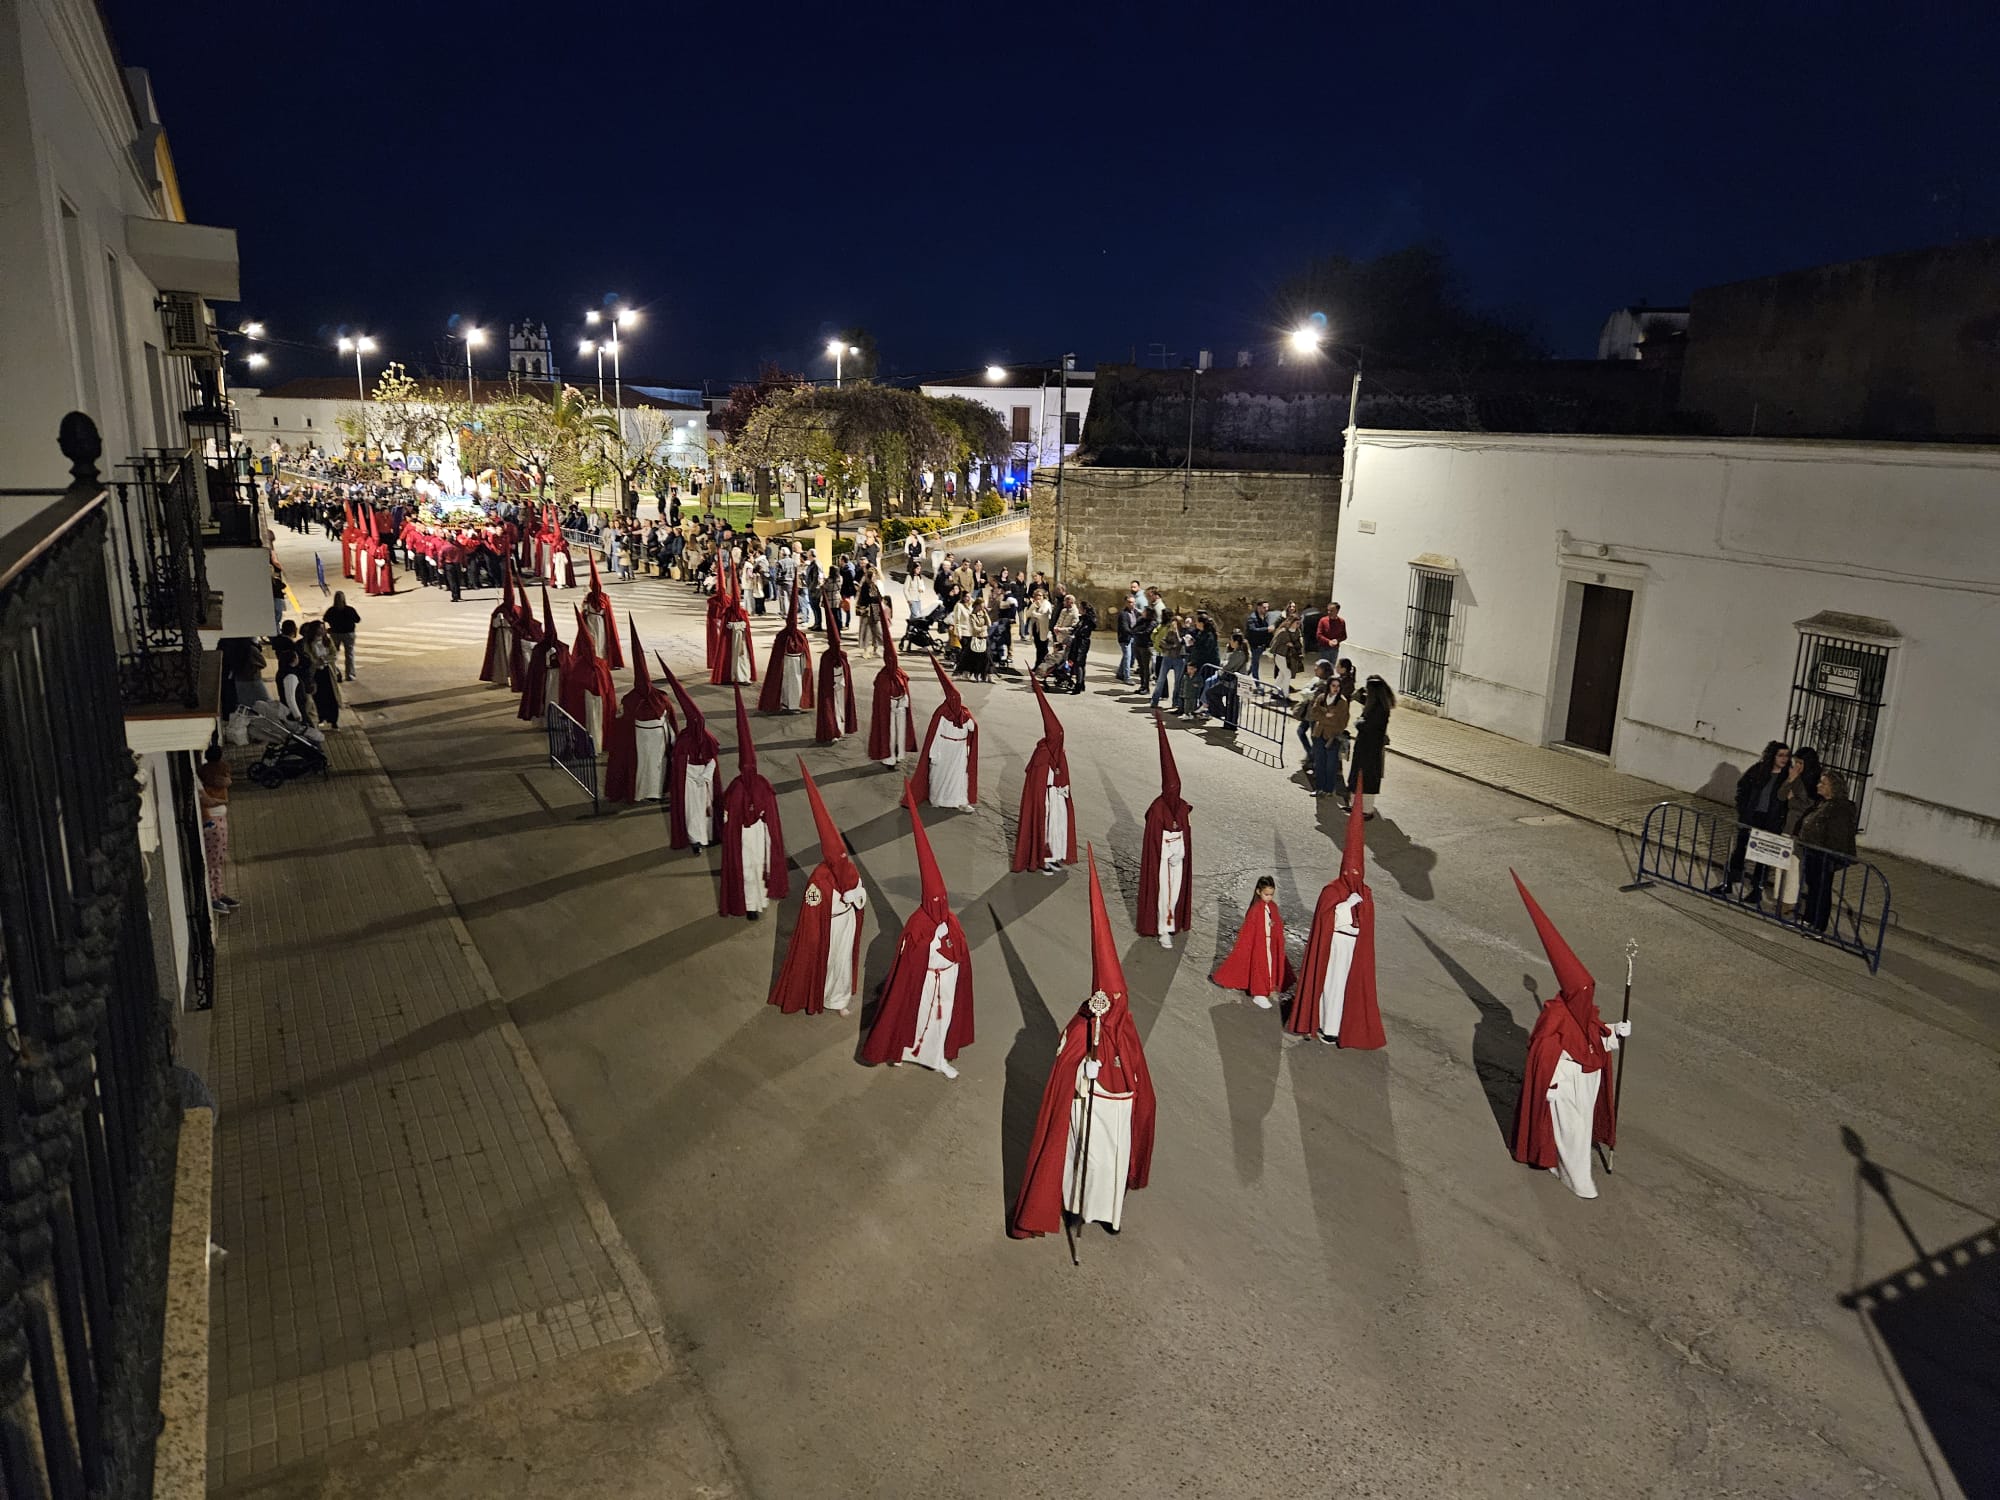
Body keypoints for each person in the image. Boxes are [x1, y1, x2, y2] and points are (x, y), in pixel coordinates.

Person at [1009, 847, 1157, 1240]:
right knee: (1087, 1163)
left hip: (1118, 1115)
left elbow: (1139, 1076)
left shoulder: (1125, 1028)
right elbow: (1063, 1073)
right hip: (1091, 1108)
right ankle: (1077, 1209)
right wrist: (1082, 1073)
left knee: (1111, 1168)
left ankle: (1109, 1215)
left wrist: (1136, 1099)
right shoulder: (1082, 1029)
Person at [1508, 872, 1627, 1201]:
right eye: (1585, 991)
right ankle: (1578, 1179)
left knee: (1578, 1132)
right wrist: (1553, 1083)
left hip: (1586, 1086)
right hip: (1567, 1087)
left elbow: (1593, 1039)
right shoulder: (1556, 1016)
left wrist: (1616, 1031)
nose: (1589, 996)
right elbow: (1547, 1052)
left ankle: (1563, 1167)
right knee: (1572, 1132)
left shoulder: (1582, 1011)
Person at [860, 781, 974, 1079]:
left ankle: (938, 1059)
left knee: (940, 1022)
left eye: (943, 900)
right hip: (923, 983)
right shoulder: (917, 924)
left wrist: (951, 955)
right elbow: (910, 961)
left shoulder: (951, 921)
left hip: (945, 983)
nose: (940, 905)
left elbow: (961, 952)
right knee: (913, 1016)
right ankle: (903, 1050)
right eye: (936, 901)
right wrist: (932, 945)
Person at [768, 761, 869, 1017]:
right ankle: (818, 996)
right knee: (826, 961)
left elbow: (861, 893)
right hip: (829, 925)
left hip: (846, 923)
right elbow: (811, 915)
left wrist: (856, 896)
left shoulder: (849, 870)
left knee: (842, 963)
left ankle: (838, 999)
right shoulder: (818, 881)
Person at [1288, 794, 1386, 1047]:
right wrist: (1346, 905)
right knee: (1330, 985)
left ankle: (1341, 1027)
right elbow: (1327, 918)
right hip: (1334, 946)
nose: (1353, 875)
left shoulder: (1365, 892)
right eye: (1350, 871)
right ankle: (1325, 1025)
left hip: (1353, 947)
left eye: (1357, 872)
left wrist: (1362, 907)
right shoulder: (1332, 891)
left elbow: (1367, 923)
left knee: (1345, 988)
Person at [718, 689, 788, 919]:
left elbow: (728, 816)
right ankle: (751, 904)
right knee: (750, 869)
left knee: (754, 868)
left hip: (751, 834)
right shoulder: (756, 785)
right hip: (751, 834)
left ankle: (754, 903)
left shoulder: (739, 787)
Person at [1137, 712, 1192, 949]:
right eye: (1171, 788)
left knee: (1175, 893)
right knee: (1163, 894)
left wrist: (1181, 851)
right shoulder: (1157, 809)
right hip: (1162, 859)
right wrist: (1168, 850)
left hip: (1178, 858)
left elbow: (1186, 832)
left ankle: (1172, 923)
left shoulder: (1182, 806)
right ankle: (1162, 929)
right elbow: (1154, 839)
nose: (1174, 792)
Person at [604, 622, 675, 804]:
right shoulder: (638, 700)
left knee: (654, 767)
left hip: (653, 741)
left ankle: (654, 792)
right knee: (646, 768)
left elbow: (668, 719)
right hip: (643, 741)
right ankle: (644, 792)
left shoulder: (642, 699)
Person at [1011, 677, 1076, 874]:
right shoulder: (1042, 754)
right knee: (1045, 828)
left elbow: (1062, 775)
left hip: (1057, 799)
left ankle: (1055, 856)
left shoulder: (1059, 752)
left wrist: (1062, 788)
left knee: (1057, 829)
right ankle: (1041, 858)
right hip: (1046, 800)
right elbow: (1040, 782)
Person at [1712, 741, 1791, 903]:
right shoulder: (1759, 770)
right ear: (1772, 756)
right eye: (1780, 755)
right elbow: (1742, 788)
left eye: (1787, 756)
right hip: (1752, 816)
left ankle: (1757, 889)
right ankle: (1729, 882)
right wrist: (1743, 809)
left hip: (1771, 820)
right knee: (1740, 849)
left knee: (1764, 855)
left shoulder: (1787, 776)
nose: (1784, 759)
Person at [1210, 876, 1294, 1009]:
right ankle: (1259, 993)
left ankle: (1268, 986)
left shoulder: (1272, 906)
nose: (1269, 897)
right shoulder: (1255, 909)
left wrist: (1274, 926)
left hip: (1270, 943)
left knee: (1270, 966)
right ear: (1258, 892)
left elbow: (1276, 923)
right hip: (1259, 944)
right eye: (1266, 894)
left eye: (1271, 895)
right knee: (1259, 967)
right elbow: (1248, 931)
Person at [663, 660, 720, 852]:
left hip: (704, 779)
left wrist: (705, 776)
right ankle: (695, 839)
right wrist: (690, 776)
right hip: (688, 780)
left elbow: (712, 760)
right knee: (691, 809)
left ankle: (706, 836)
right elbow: (679, 762)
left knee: (705, 808)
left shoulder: (708, 738)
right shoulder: (684, 740)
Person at [912, 655, 978, 811]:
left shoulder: (965, 713)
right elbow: (934, 735)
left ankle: (960, 800)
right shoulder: (941, 713)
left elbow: (973, 728)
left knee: (959, 775)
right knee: (940, 774)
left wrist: (969, 722)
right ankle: (938, 798)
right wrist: (934, 753)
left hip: (959, 750)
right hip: (944, 748)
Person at [1798, 769, 1859, 934]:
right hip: (1814, 852)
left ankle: (1819, 926)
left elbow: (1837, 835)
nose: (1818, 785)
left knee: (1822, 890)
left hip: (1824, 856)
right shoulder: (1824, 803)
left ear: (1833, 787)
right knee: (1813, 887)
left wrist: (1828, 855)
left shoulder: (1839, 808)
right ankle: (1808, 919)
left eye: (1823, 783)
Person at [1772, 746, 1822, 919]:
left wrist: (1793, 799)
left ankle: (1790, 903)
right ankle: (1779, 898)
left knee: (1794, 866)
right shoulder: (1795, 777)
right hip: (1788, 826)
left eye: (1801, 763)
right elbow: (1781, 795)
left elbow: (1808, 805)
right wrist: (1790, 780)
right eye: (1796, 762)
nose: (1797, 766)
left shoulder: (1814, 781)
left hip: (1800, 829)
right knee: (1781, 864)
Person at [559, 608, 615, 751]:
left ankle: (593, 746)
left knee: (593, 725)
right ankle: (594, 746)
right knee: (594, 725)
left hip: (593, 701)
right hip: (591, 701)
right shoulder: (597, 664)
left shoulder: (581, 665)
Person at [757, 579, 815, 715]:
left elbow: (805, 654)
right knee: (787, 684)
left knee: (795, 684)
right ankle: (787, 703)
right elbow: (776, 658)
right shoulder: (783, 636)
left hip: (796, 665)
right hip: (787, 665)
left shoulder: (799, 637)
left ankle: (795, 704)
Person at [868, 609, 917, 768]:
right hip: (888, 710)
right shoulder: (882, 677)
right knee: (889, 733)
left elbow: (905, 687)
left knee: (900, 734)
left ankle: (899, 754)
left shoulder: (900, 673)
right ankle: (888, 757)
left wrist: (903, 702)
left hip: (900, 707)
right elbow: (880, 697)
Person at [198, 746, 239, 916]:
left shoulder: (202, 771)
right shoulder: (206, 774)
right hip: (212, 820)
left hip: (218, 818)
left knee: (217, 858)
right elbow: (205, 800)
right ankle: (213, 895)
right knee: (214, 860)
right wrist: (221, 801)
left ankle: (218, 892)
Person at [1344, 675, 1394, 814]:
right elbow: (1358, 698)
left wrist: (1358, 722)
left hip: (1371, 748)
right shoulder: (1375, 705)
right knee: (1357, 775)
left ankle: (1366, 809)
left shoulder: (1379, 709)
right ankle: (1354, 805)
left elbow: (1367, 726)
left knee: (1367, 778)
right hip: (1365, 747)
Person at [517, 587, 567, 724]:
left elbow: (567, 663)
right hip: (545, 678)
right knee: (544, 698)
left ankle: (557, 721)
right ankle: (545, 721)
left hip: (557, 678)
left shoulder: (561, 647)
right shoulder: (539, 649)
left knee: (556, 698)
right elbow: (537, 668)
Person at [816, 609, 859, 744]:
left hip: (841, 685)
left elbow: (846, 672)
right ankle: (832, 730)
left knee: (842, 708)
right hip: (831, 688)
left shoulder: (843, 656)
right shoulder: (826, 657)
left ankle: (841, 729)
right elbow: (824, 677)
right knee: (832, 708)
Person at [1309, 664, 1352, 796]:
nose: (1336, 688)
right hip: (1319, 734)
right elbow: (1314, 713)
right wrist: (1326, 716)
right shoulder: (1321, 698)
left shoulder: (1342, 702)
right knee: (1319, 763)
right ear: (1329, 686)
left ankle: (1328, 790)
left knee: (1331, 765)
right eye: (1333, 685)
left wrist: (1324, 718)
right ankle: (1319, 788)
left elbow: (1342, 722)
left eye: (1338, 686)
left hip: (1332, 736)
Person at [581, 557, 626, 668]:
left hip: (595, 620)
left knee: (599, 640)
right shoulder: (600, 597)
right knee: (596, 639)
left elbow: (584, 610)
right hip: (596, 620)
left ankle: (599, 659)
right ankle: (597, 658)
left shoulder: (593, 597)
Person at [479, 571, 518, 685]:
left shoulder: (517, 609)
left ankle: (514, 677)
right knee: (501, 658)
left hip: (512, 635)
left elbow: (520, 623)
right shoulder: (499, 610)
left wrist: (509, 622)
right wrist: (498, 620)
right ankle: (503, 678)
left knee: (512, 657)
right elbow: (494, 625)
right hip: (501, 637)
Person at [302, 620, 341, 730]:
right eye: (320, 628)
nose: (323, 630)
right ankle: (321, 717)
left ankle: (333, 720)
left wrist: (325, 659)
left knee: (331, 695)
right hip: (316, 672)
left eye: (323, 628)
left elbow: (334, 654)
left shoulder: (327, 641)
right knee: (318, 696)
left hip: (328, 671)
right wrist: (316, 662)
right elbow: (309, 656)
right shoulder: (308, 643)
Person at [1150, 614, 1188, 712]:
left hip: (1179, 659)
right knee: (1161, 679)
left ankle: (1175, 702)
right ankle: (1154, 701)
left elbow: (1180, 643)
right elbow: (1162, 642)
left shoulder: (1184, 632)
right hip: (1168, 657)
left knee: (1178, 682)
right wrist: (1171, 646)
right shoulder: (1169, 632)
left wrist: (1176, 633)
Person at [324, 591, 360, 681]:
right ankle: (350, 675)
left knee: (333, 654)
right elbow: (357, 619)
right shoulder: (349, 610)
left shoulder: (331, 610)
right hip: (348, 634)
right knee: (349, 654)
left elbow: (325, 619)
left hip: (335, 633)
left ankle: (335, 673)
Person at [1065, 598, 1097, 693]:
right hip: (1079, 642)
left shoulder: (1088, 620)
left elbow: (1083, 631)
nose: (1079, 609)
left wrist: (1076, 632)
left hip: (1082, 643)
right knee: (1080, 664)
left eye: (1080, 608)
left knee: (1079, 663)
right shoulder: (1083, 618)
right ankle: (1081, 683)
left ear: (1084, 609)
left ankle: (1078, 685)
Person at [1271, 603, 1305, 680]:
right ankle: (1282, 686)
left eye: (1293, 607)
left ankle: (1279, 686)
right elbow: (1276, 642)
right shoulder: (1283, 622)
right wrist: (1272, 653)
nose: (1292, 608)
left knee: (1286, 673)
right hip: (1282, 653)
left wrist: (1295, 645)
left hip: (1291, 653)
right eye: (1290, 606)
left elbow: (1299, 639)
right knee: (1285, 673)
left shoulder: (1297, 628)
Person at [1244, 601, 1274, 681]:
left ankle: (1245, 676)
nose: (1266, 609)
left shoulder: (1265, 617)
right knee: (1255, 663)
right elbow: (1253, 630)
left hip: (1262, 644)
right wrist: (1267, 629)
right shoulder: (1252, 618)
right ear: (1258, 607)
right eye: (1264, 607)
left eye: (1267, 607)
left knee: (1254, 662)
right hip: (1255, 644)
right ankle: (1257, 683)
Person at [1315, 600, 1347, 666]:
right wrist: (1328, 641)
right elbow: (1319, 635)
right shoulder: (1323, 620)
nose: (1329, 612)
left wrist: (1337, 640)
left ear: (1337, 611)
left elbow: (1344, 636)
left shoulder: (1341, 622)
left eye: (1331, 611)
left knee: (1332, 667)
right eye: (1328, 610)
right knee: (1323, 667)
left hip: (1335, 649)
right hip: (1324, 648)